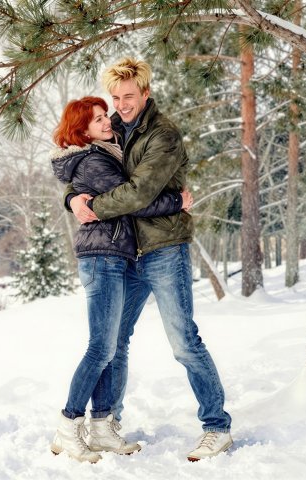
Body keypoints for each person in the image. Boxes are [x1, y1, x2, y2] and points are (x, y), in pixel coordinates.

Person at [67, 58, 233, 461]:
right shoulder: (115, 132)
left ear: (146, 93)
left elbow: (139, 194)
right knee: (114, 343)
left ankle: (217, 426)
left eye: (129, 96)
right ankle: (107, 423)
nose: (121, 104)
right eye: (116, 97)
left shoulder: (164, 135)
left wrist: (94, 207)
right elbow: (86, 173)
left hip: (163, 249)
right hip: (127, 254)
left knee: (183, 341)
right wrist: (72, 199)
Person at [49, 96, 193, 463]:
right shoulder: (95, 160)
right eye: (97, 119)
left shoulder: (106, 146)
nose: (107, 120)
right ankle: (68, 426)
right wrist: (177, 202)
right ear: (82, 131)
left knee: (111, 347)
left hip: (116, 256)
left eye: (105, 115)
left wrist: (71, 199)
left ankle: (100, 426)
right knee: (100, 348)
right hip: (103, 258)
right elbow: (136, 199)